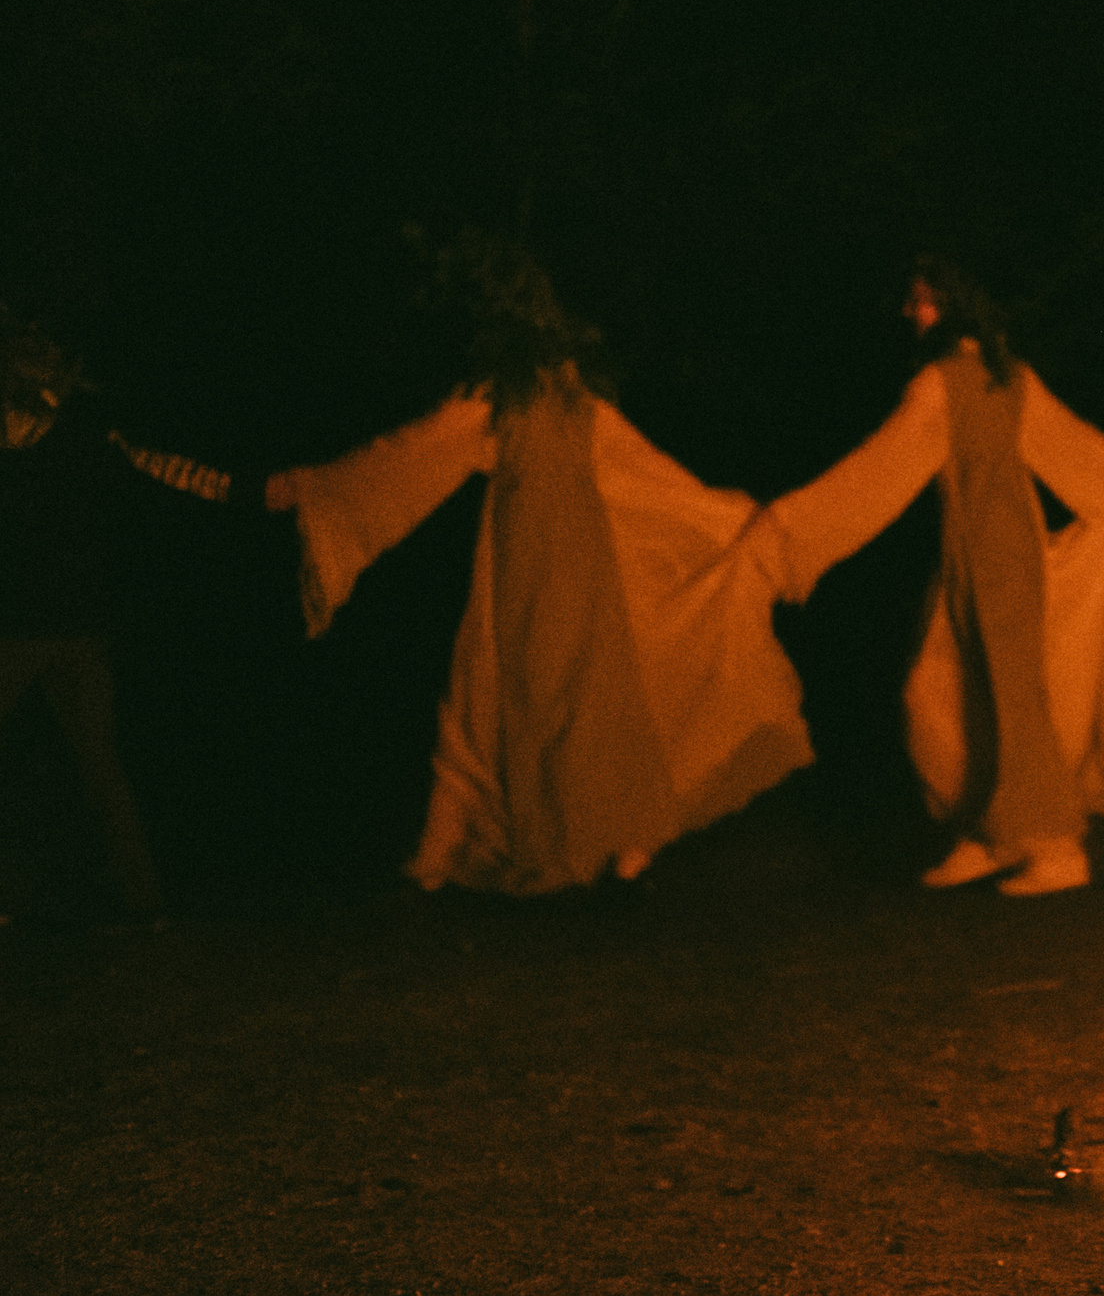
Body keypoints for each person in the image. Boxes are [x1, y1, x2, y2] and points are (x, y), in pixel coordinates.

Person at [264, 236, 814, 895]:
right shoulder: (567, 390)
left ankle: (519, 848)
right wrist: (724, 518)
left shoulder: (509, 395)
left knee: (509, 701)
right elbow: (642, 470)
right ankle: (493, 849)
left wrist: (317, 488)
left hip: (538, 572)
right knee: (560, 704)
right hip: (579, 569)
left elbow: (413, 455)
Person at [743, 260, 1104, 896]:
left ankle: (1055, 845)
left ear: (954, 305)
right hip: (980, 554)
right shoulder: (1009, 379)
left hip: (996, 558)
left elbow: (877, 473)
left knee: (1010, 698)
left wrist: (791, 530)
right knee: (939, 688)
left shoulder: (947, 385)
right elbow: (1083, 456)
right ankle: (992, 829)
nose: (909, 313)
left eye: (922, 301)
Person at [1, 312, 241, 915]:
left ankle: (141, 900)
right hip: (73, 629)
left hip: (40, 632)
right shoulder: (86, 440)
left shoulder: (82, 441)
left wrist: (236, 490)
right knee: (101, 768)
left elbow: (162, 467)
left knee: (101, 768)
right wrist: (232, 490)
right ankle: (143, 901)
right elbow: (161, 467)